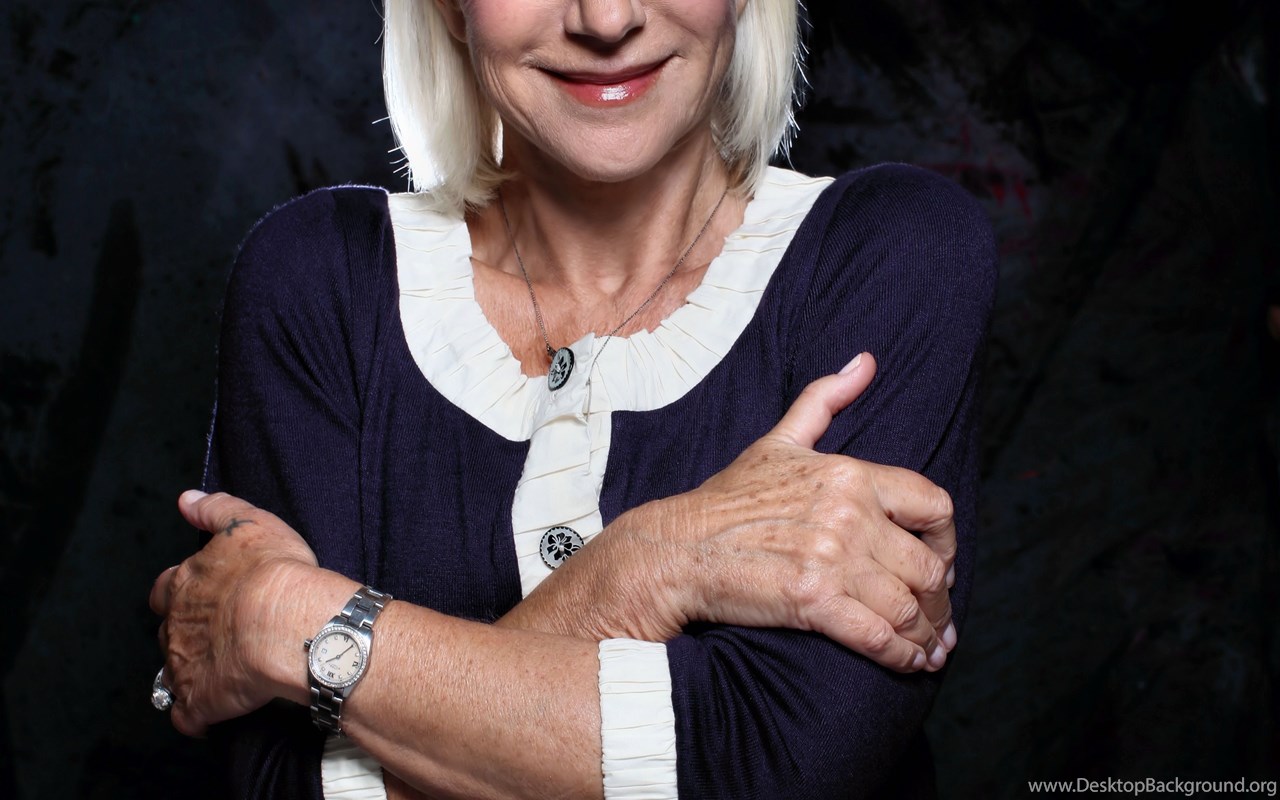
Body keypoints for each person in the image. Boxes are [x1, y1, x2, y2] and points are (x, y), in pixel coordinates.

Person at [149, 0, 997, 797]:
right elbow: (280, 785)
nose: (607, 19)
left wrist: (286, 622)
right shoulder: (318, 280)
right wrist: (650, 572)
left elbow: (784, 762)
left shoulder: (890, 252)